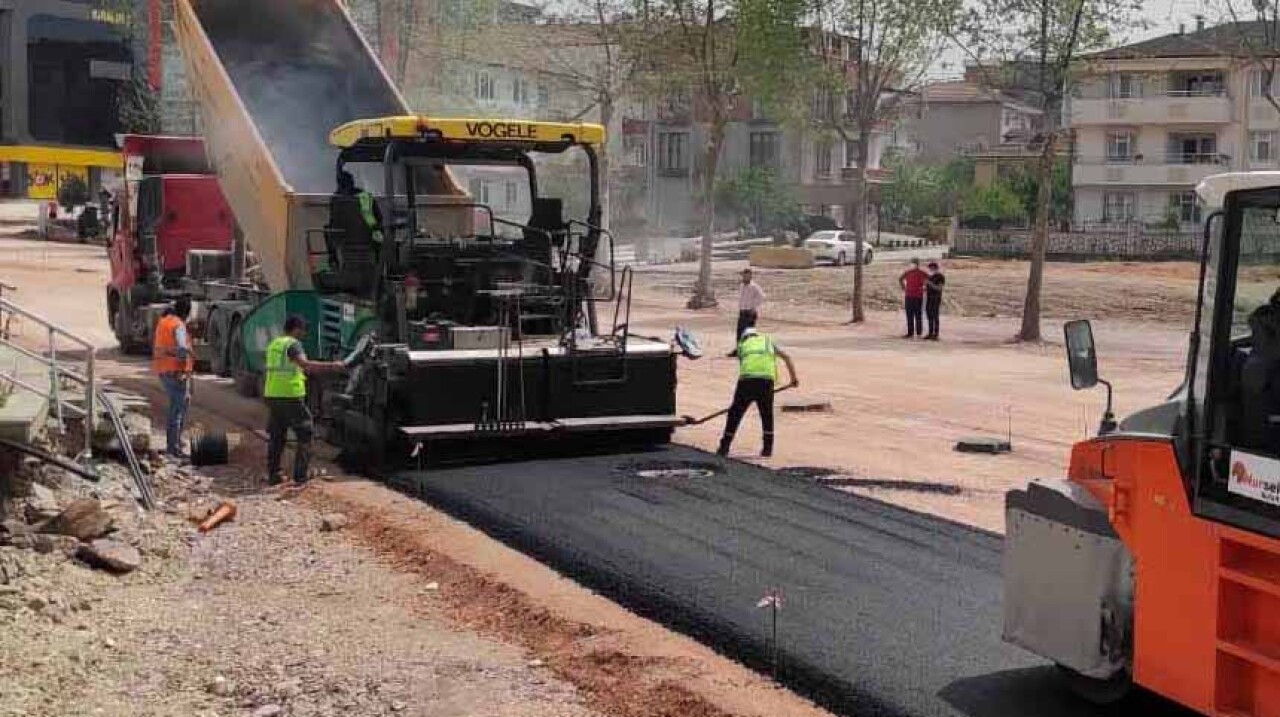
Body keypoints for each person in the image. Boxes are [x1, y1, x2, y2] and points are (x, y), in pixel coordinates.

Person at [264, 315, 344, 485]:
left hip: (272, 394)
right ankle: (301, 475)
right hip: (290, 395)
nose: (305, 334)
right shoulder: (293, 344)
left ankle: (274, 474)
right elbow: (305, 364)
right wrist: (332, 366)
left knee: (277, 436)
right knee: (306, 432)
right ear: (296, 329)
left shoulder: (274, 344)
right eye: (303, 330)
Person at [717, 327, 799, 458]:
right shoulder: (767, 342)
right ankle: (767, 449)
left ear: (745, 337)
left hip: (747, 381)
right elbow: (787, 358)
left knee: (735, 413)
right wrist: (793, 379)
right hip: (766, 382)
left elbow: (745, 364)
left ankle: (724, 447)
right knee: (767, 415)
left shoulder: (742, 345)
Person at [152, 296, 193, 460]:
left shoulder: (164, 322)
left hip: (163, 369)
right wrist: (183, 368)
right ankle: (173, 448)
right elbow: (182, 347)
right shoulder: (178, 325)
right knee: (177, 409)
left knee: (179, 406)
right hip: (176, 371)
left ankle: (175, 443)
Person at [730, 268, 766, 356]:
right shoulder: (742, 286)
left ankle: (749, 350)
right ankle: (739, 349)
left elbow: (761, 297)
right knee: (739, 332)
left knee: (749, 332)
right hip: (742, 311)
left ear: (750, 276)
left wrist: (753, 307)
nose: (744, 277)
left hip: (750, 312)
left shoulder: (754, 287)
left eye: (746, 275)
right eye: (743, 275)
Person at [899, 258, 929, 339]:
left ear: (918, 264)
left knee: (918, 314)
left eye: (914, 263)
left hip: (918, 296)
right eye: (912, 263)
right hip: (908, 295)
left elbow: (929, 279)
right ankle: (910, 332)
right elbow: (900, 278)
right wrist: (903, 287)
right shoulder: (908, 272)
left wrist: (925, 287)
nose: (912, 265)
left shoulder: (922, 273)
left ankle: (919, 333)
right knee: (909, 315)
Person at [925, 261, 946, 341]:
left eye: (931, 268)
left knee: (935, 316)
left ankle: (936, 334)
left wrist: (930, 284)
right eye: (929, 268)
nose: (930, 269)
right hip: (929, 298)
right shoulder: (930, 277)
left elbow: (939, 288)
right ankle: (930, 333)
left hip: (936, 298)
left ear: (935, 268)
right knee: (929, 315)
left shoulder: (940, 277)